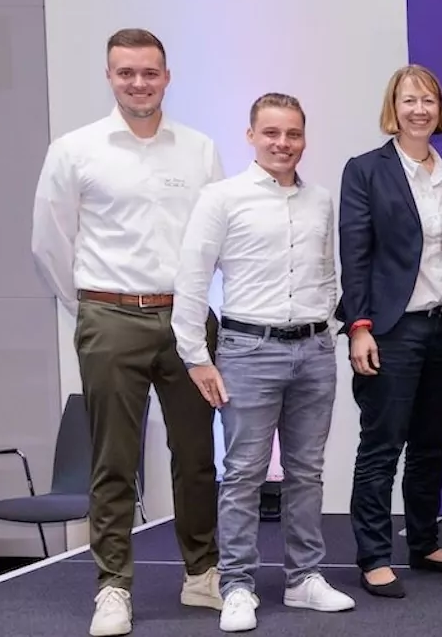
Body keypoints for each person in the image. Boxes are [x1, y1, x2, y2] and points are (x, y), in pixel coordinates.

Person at [29, 27, 224, 636]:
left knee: (197, 458)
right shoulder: (76, 149)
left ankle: (203, 574)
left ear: (167, 76)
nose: (138, 83)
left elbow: (214, 239)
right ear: (110, 77)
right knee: (113, 460)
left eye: (149, 72)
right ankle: (113, 587)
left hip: (187, 320)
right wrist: (89, 307)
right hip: (110, 315)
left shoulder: (198, 150)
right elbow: (49, 244)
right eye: (126, 73)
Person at [173, 93, 356, 631]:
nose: (283, 143)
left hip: (315, 350)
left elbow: (326, 272)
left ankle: (304, 579)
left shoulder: (319, 199)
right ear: (251, 135)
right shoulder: (221, 198)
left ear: (304, 138)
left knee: (307, 472)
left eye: (293, 134)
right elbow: (192, 277)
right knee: (245, 473)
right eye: (272, 133)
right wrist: (196, 357)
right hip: (247, 351)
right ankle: (236, 585)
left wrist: (325, 325)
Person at [338, 65, 442, 599]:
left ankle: (423, 541)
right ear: (392, 107)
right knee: (381, 444)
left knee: (431, 444)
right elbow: (355, 254)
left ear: (440, 111)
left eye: (428, 100)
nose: (419, 109)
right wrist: (359, 327)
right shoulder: (366, 170)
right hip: (392, 329)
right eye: (409, 99)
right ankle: (373, 554)